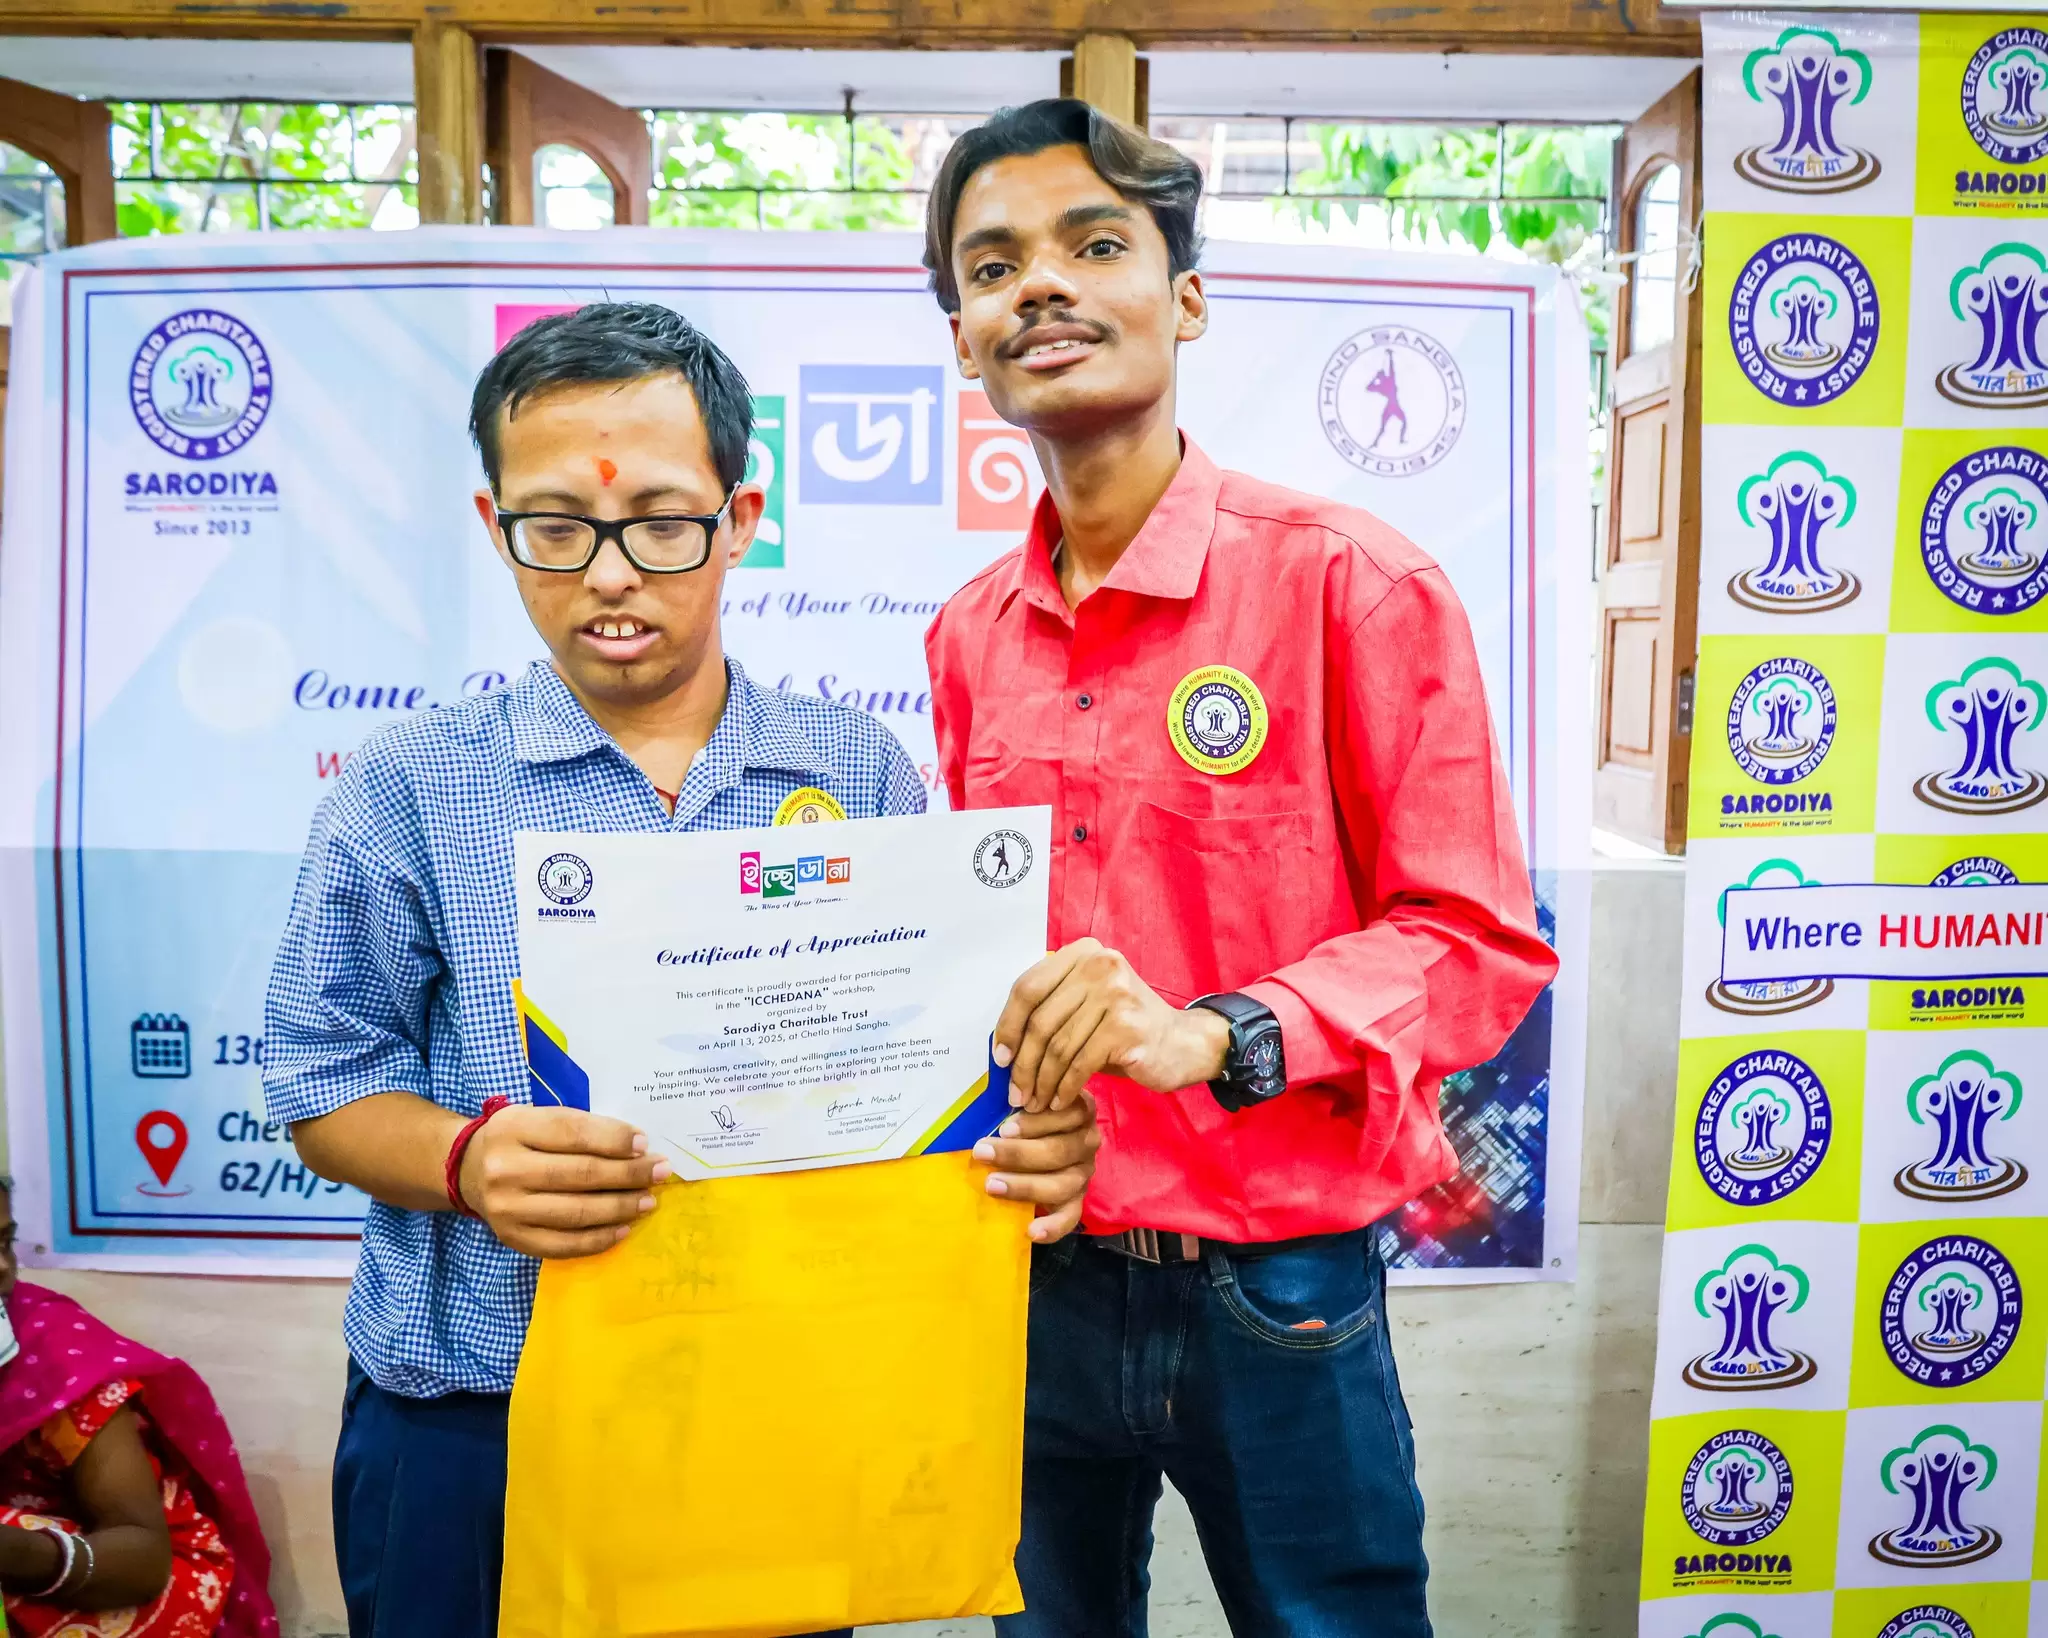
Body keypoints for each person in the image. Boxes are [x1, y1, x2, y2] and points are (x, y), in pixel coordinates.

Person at [260, 304, 1100, 1638]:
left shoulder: (856, 772)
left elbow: (932, 1078)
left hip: (773, 1398)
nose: (608, 575)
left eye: (660, 522)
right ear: (494, 527)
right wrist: (466, 1161)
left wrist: (1022, 1142)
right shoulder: (410, 786)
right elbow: (319, 1084)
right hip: (481, 1418)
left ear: (740, 516)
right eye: (556, 527)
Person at [921, 100, 1559, 1636]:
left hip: (1281, 1288)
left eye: (1095, 245)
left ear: (1187, 299)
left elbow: (1475, 940)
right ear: (965, 342)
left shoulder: (1354, 583)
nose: (1040, 285)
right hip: (1034, 1271)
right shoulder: (966, 636)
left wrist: (1218, 1030)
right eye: (993, 267)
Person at [0, 1181, 277, 1637]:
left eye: (5, 1243)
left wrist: (18, 1554)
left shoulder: (54, 1356)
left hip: (113, 1583)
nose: (3, 1268)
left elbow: (142, 1560)